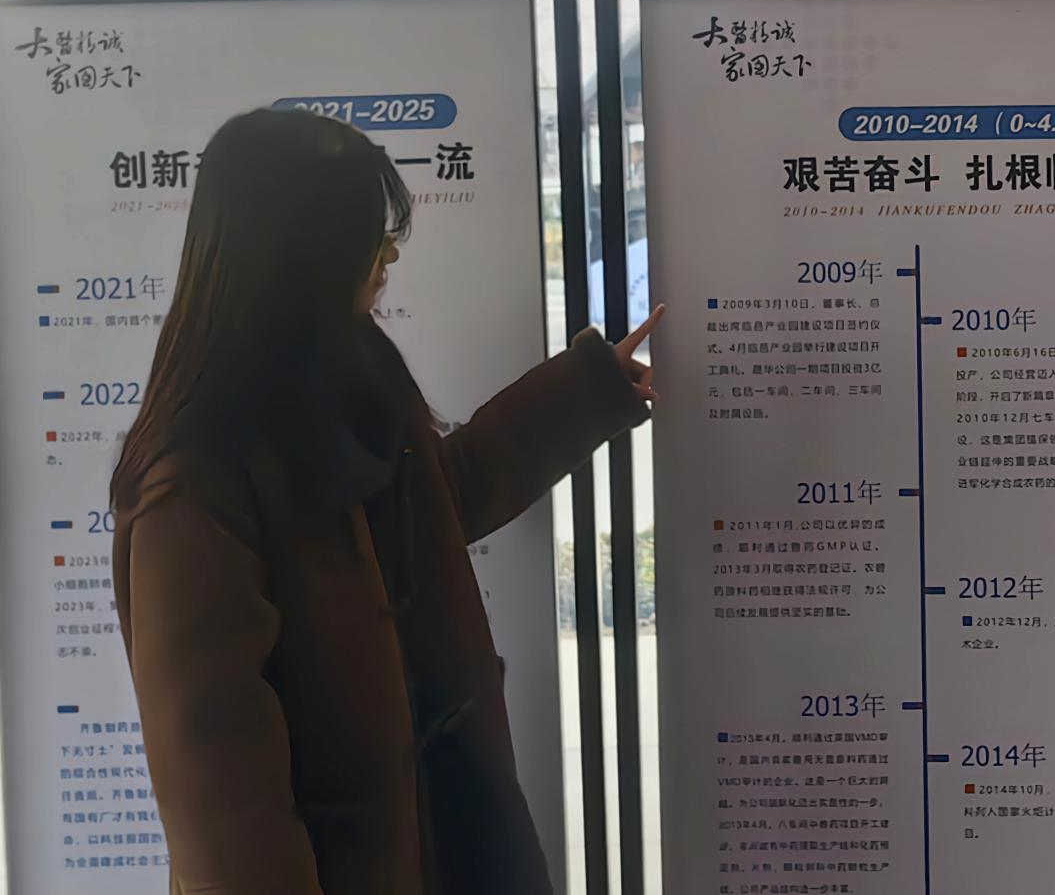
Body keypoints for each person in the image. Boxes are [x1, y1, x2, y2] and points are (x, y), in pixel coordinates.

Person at [110, 108, 663, 895]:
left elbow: (439, 499)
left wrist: (590, 388)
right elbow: (226, 817)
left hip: (450, 846)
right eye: (369, 234)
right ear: (301, 251)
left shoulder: (337, 379)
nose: (389, 254)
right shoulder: (193, 485)